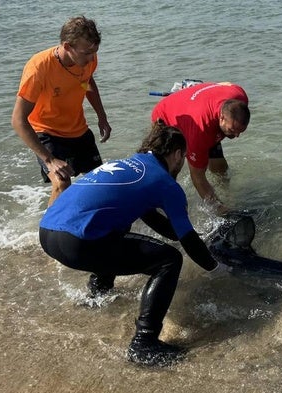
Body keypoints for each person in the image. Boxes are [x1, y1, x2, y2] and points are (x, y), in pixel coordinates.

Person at [39, 123, 221, 366]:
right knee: (169, 260)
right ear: (177, 154)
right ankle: (144, 343)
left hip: (48, 232)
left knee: (113, 225)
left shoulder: (127, 164)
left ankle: (98, 295)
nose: (182, 163)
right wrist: (218, 269)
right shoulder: (166, 183)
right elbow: (187, 240)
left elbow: (154, 219)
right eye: (183, 157)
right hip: (78, 243)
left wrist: (192, 235)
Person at [11, 16, 112, 206]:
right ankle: (49, 233)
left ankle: (92, 226)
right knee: (62, 182)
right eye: (87, 53)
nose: (92, 58)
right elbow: (18, 120)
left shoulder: (87, 60)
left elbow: (87, 81)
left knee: (99, 181)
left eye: (95, 51)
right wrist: (49, 160)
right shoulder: (39, 68)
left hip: (78, 129)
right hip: (47, 132)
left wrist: (102, 117)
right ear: (67, 46)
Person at [151, 81, 250, 214]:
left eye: (240, 131)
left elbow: (225, 84)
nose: (237, 136)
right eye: (232, 130)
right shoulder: (200, 132)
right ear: (221, 118)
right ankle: (162, 207)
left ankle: (227, 194)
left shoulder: (239, 96)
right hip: (166, 117)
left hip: (199, 109)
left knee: (221, 169)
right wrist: (220, 209)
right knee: (171, 171)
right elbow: (198, 177)